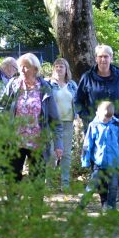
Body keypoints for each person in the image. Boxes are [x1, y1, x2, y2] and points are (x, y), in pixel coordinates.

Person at [75, 44, 119, 205]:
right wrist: (87, 118)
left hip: (117, 129)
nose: (103, 59)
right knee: (98, 168)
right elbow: (78, 101)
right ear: (96, 59)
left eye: (106, 56)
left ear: (111, 58)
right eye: (100, 56)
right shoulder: (87, 77)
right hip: (95, 131)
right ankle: (105, 202)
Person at [0, 53, 63, 182]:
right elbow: (1, 107)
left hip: (38, 142)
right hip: (15, 141)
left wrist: (58, 145)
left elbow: (54, 119)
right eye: (20, 66)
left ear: (35, 69)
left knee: (37, 180)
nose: (21, 70)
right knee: (12, 179)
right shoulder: (13, 84)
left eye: (25, 67)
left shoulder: (44, 88)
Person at [80, 101, 119, 210]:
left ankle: (110, 210)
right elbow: (87, 144)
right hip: (99, 164)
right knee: (91, 187)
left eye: (109, 118)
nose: (106, 120)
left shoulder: (116, 125)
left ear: (112, 116)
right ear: (97, 112)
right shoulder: (93, 126)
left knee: (113, 188)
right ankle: (80, 207)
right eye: (104, 118)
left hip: (114, 165)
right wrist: (85, 160)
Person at [49, 57, 78, 191]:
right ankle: (49, 183)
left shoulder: (72, 85)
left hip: (67, 122)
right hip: (52, 123)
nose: (59, 69)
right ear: (53, 69)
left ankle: (64, 184)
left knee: (66, 154)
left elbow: (77, 102)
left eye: (62, 66)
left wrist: (78, 117)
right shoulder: (48, 84)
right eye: (57, 66)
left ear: (66, 70)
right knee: (51, 153)